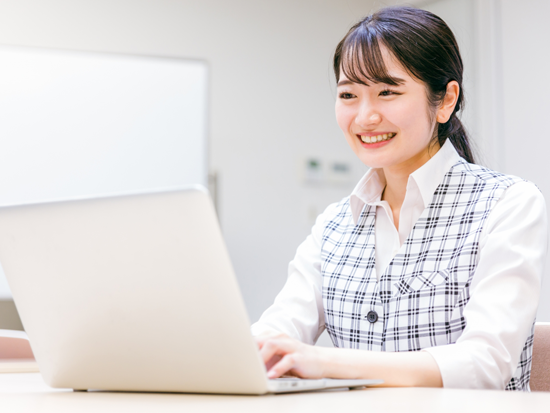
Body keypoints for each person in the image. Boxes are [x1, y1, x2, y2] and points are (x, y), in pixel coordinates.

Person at [250, 6, 547, 391]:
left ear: (445, 101)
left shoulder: (508, 204)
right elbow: (280, 329)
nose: (365, 117)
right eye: (348, 95)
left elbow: (485, 364)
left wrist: (324, 361)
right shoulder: (334, 226)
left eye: (387, 92)